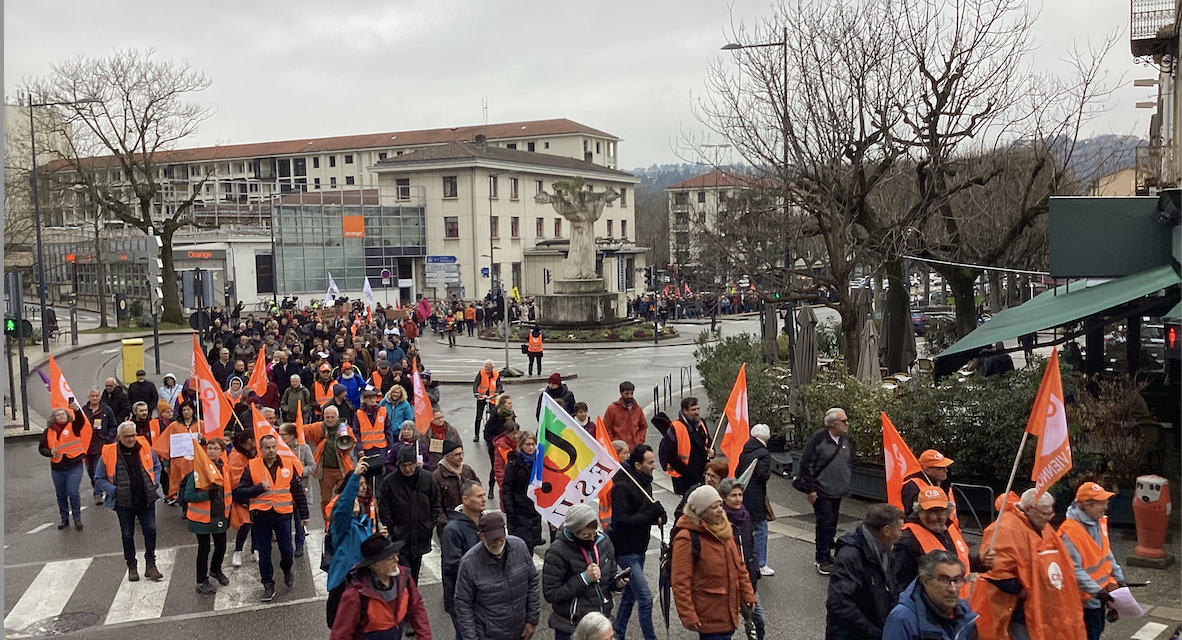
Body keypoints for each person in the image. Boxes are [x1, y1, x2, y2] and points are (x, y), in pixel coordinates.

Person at [971, 488, 1087, 640]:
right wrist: (1026, 592)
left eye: (1050, 513)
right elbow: (996, 573)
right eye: (1045, 514)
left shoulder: (1038, 525)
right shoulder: (1006, 528)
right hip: (1016, 609)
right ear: (1029, 509)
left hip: (1040, 607)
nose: (1049, 518)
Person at [671, 485, 757, 640]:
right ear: (701, 511)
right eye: (713, 507)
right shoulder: (686, 537)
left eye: (719, 505)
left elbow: (739, 568)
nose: (719, 510)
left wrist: (748, 595)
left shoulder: (725, 530)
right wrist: (688, 614)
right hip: (709, 615)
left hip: (727, 613)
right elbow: (680, 581)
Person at [233, 433, 311, 602]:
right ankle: (268, 585)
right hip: (261, 516)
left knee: (287, 551)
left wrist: (304, 514)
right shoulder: (252, 467)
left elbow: (297, 492)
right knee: (265, 553)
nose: (271, 450)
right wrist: (258, 488)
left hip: (283, 515)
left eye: (273, 447)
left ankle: (287, 569)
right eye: (267, 447)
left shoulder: (288, 466)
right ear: (260, 450)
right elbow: (239, 493)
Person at [609, 444, 666, 640]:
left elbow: (645, 514)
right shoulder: (621, 487)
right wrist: (651, 513)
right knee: (645, 598)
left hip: (640, 549)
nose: (654, 466)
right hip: (626, 552)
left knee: (629, 596)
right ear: (637, 465)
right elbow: (621, 522)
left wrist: (658, 515)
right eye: (650, 463)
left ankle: (618, 634)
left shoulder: (645, 483)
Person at [543, 503, 626, 640]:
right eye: (586, 536)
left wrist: (617, 583)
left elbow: (609, 577)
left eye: (594, 534)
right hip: (572, 627)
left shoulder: (603, 541)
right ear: (573, 531)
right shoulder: (557, 551)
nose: (592, 539)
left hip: (601, 623)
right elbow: (552, 594)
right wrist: (584, 578)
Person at [454, 512, 542, 640]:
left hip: (520, 632)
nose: (497, 543)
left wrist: (532, 619)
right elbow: (463, 604)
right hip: (489, 635)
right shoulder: (469, 563)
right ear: (481, 537)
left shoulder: (520, 547)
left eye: (500, 538)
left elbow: (532, 581)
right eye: (491, 539)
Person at [824, 503, 904, 640]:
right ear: (887, 530)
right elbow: (840, 605)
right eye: (900, 529)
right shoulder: (850, 556)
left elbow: (892, 590)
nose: (901, 534)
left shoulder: (886, 552)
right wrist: (875, 634)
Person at [892, 485, 993, 595]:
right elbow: (901, 587)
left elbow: (958, 561)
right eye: (928, 512)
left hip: (957, 606)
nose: (933, 518)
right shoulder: (908, 540)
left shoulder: (949, 529)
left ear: (948, 511)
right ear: (919, 512)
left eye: (939, 511)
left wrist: (979, 562)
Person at [96, 422, 164, 582]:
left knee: (151, 531)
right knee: (127, 535)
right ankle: (132, 566)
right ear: (119, 437)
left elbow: (156, 465)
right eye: (127, 436)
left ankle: (151, 565)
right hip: (124, 502)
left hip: (146, 498)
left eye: (133, 435)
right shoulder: (109, 452)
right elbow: (99, 478)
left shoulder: (144, 447)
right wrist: (114, 491)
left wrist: (154, 483)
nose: (131, 439)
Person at [329, 535, 432, 640]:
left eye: (396, 555)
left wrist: (425, 637)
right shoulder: (355, 595)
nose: (396, 560)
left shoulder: (403, 577)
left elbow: (416, 608)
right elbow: (341, 635)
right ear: (375, 565)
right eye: (389, 558)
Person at [1061, 482, 1127, 640]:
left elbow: (1106, 553)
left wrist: (1119, 578)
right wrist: (1098, 592)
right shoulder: (1070, 531)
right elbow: (1073, 569)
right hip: (1083, 601)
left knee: (1096, 632)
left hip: (1098, 597)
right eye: (1101, 503)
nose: (1106, 506)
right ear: (1086, 505)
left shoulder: (1098, 522)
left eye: (1106, 502)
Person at [797, 407, 853, 575]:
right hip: (822, 490)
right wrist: (811, 489)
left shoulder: (845, 440)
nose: (846, 424)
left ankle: (828, 555)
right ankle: (822, 558)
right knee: (825, 524)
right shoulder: (819, 438)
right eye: (844, 421)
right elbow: (806, 464)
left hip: (838, 489)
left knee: (833, 523)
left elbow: (850, 460)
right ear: (833, 423)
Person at [882, 550, 979, 640]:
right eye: (944, 580)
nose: (953, 589)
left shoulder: (965, 612)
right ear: (925, 581)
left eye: (957, 580)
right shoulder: (902, 619)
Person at [379, 446, 442, 583]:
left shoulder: (428, 479)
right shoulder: (390, 483)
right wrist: (393, 530)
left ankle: (410, 602)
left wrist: (428, 526)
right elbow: (384, 510)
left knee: (414, 577)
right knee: (404, 578)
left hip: (420, 538)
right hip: (400, 540)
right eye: (404, 466)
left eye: (411, 465)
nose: (407, 469)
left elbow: (436, 505)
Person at [325, 458, 386, 594]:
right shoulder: (342, 525)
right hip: (344, 584)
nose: (363, 487)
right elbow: (345, 504)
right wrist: (355, 476)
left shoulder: (365, 523)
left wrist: (383, 539)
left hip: (363, 582)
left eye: (364, 483)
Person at [183, 437, 231, 594]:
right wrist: (206, 494)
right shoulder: (197, 471)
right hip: (201, 519)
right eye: (209, 448)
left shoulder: (225, 469)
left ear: (221, 452)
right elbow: (187, 495)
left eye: (215, 448)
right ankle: (201, 580)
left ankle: (216, 570)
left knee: (221, 545)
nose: (211, 451)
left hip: (219, 515)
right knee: (203, 549)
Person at [719, 478, 765, 640]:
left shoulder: (746, 518)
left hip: (747, 577)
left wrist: (754, 568)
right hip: (728, 580)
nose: (738, 499)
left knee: (757, 619)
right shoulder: (719, 521)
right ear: (724, 497)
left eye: (740, 495)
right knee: (725, 625)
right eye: (733, 496)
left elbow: (750, 546)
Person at [441, 481, 486, 640]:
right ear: (465, 500)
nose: (484, 499)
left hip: (485, 596)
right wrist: (483, 564)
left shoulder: (486, 522)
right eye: (479, 496)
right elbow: (451, 566)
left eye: (484, 495)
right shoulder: (452, 530)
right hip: (462, 600)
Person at [40, 402, 89, 529]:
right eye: (58, 414)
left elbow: (80, 420)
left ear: (68, 416)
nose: (61, 416)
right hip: (57, 467)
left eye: (63, 414)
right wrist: (49, 452)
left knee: (72, 492)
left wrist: (77, 410)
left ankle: (77, 518)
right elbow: (42, 448)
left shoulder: (74, 426)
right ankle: (64, 519)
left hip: (74, 464)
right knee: (61, 494)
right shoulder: (48, 431)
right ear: (54, 418)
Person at [737, 423, 774, 577]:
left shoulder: (745, 450)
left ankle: (748, 557)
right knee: (761, 528)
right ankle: (760, 563)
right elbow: (762, 476)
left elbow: (737, 470)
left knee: (748, 527)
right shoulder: (763, 453)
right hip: (757, 495)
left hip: (744, 493)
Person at [152, 401, 204, 505]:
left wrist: (203, 439)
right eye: (184, 410)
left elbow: (212, 441)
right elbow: (166, 445)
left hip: (197, 461)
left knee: (196, 483)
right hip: (179, 463)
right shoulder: (174, 426)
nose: (186, 412)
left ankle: (192, 505)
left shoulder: (201, 425)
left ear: (193, 410)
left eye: (188, 409)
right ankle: (184, 506)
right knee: (181, 484)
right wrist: (166, 463)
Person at [661, 396, 713, 496]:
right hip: (683, 477)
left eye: (698, 409)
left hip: (701, 472)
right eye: (693, 410)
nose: (697, 412)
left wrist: (711, 451)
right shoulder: (675, 427)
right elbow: (670, 455)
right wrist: (687, 472)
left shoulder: (701, 423)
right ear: (684, 410)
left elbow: (708, 440)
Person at [501, 432, 544, 553]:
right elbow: (507, 488)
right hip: (519, 510)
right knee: (521, 545)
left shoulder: (538, 463)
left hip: (534, 509)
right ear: (521, 445)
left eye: (533, 444)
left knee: (531, 544)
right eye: (528, 444)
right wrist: (509, 509)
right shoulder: (513, 464)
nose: (531, 447)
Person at [279, 423, 317, 558]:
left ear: (291, 435)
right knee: (285, 523)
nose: (280, 436)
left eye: (282, 434)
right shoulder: (278, 449)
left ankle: (300, 545)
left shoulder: (304, 448)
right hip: (284, 493)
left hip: (301, 491)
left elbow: (312, 466)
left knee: (300, 520)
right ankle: (287, 546)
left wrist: (301, 471)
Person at [432, 440, 480, 538]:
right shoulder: (437, 477)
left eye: (462, 453)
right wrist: (446, 525)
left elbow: (478, 491)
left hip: (471, 523)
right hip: (450, 527)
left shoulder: (467, 471)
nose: (461, 457)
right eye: (457, 455)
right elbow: (435, 506)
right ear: (448, 457)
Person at [81, 388, 118, 505]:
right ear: (88, 397)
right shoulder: (84, 410)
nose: (94, 398)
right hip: (88, 446)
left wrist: (107, 439)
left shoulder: (106, 410)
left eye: (97, 396)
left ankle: (98, 494)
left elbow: (113, 426)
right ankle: (96, 488)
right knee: (91, 470)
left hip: (101, 446)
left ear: (100, 396)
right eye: (92, 396)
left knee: (98, 469)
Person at [353, 387, 391, 493]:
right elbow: (356, 433)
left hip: (381, 447)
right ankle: (369, 497)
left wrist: (390, 447)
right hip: (366, 449)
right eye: (370, 398)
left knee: (381, 473)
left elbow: (388, 430)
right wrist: (359, 449)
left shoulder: (383, 411)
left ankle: (379, 496)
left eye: (374, 398)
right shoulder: (359, 414)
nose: (373, 400)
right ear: (364, 400)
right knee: (367, 473)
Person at [228, 430, 256, 567]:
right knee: (245, 525)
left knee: (257, 523)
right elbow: (236, 481)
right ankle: (238, 551)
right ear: (250, 441)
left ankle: (255, 550)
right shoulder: (236, 456)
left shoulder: (252, 453)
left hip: (254, 494)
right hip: (243, 496)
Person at [900, 449, 954, 519]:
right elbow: (910, 516)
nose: (945, 470)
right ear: (927, 470)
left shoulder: (943, 484)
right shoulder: (912, 486)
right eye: (940, 468)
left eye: (946, 467)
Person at [483, 394, 514, 497]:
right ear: (503, 405)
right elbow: (487, 433)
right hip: (496, 447)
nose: (511, 405)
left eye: (511, 403)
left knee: (510, 467)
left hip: (509, 446)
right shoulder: (495, 417)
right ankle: (491, 488)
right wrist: (494, 443)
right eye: (509, 403)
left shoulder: (511, 415)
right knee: (496, 468)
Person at [603, 381, 647, 450]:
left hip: (634, 448)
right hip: (618, 449)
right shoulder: (612, 409)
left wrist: (639, 440)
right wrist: (613, 443)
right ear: (621, 393)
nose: (630, 396)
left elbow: (643, 426)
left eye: (631, 393)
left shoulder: (637, 409)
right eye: (627, 394)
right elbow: (606, 429)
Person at [472, 360, 503, 443]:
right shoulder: (481, 373)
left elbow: (499, 385)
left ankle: (491, 434)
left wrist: (498, 392)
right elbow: (476, 384)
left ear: (492, 368)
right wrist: (476, 393)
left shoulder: (496, 374)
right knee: (478, 417)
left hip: (492, 398)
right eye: (486, 366)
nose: (487, 368)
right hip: (482, 397)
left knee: (493, 416)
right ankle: (476, 435)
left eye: (488, 367)